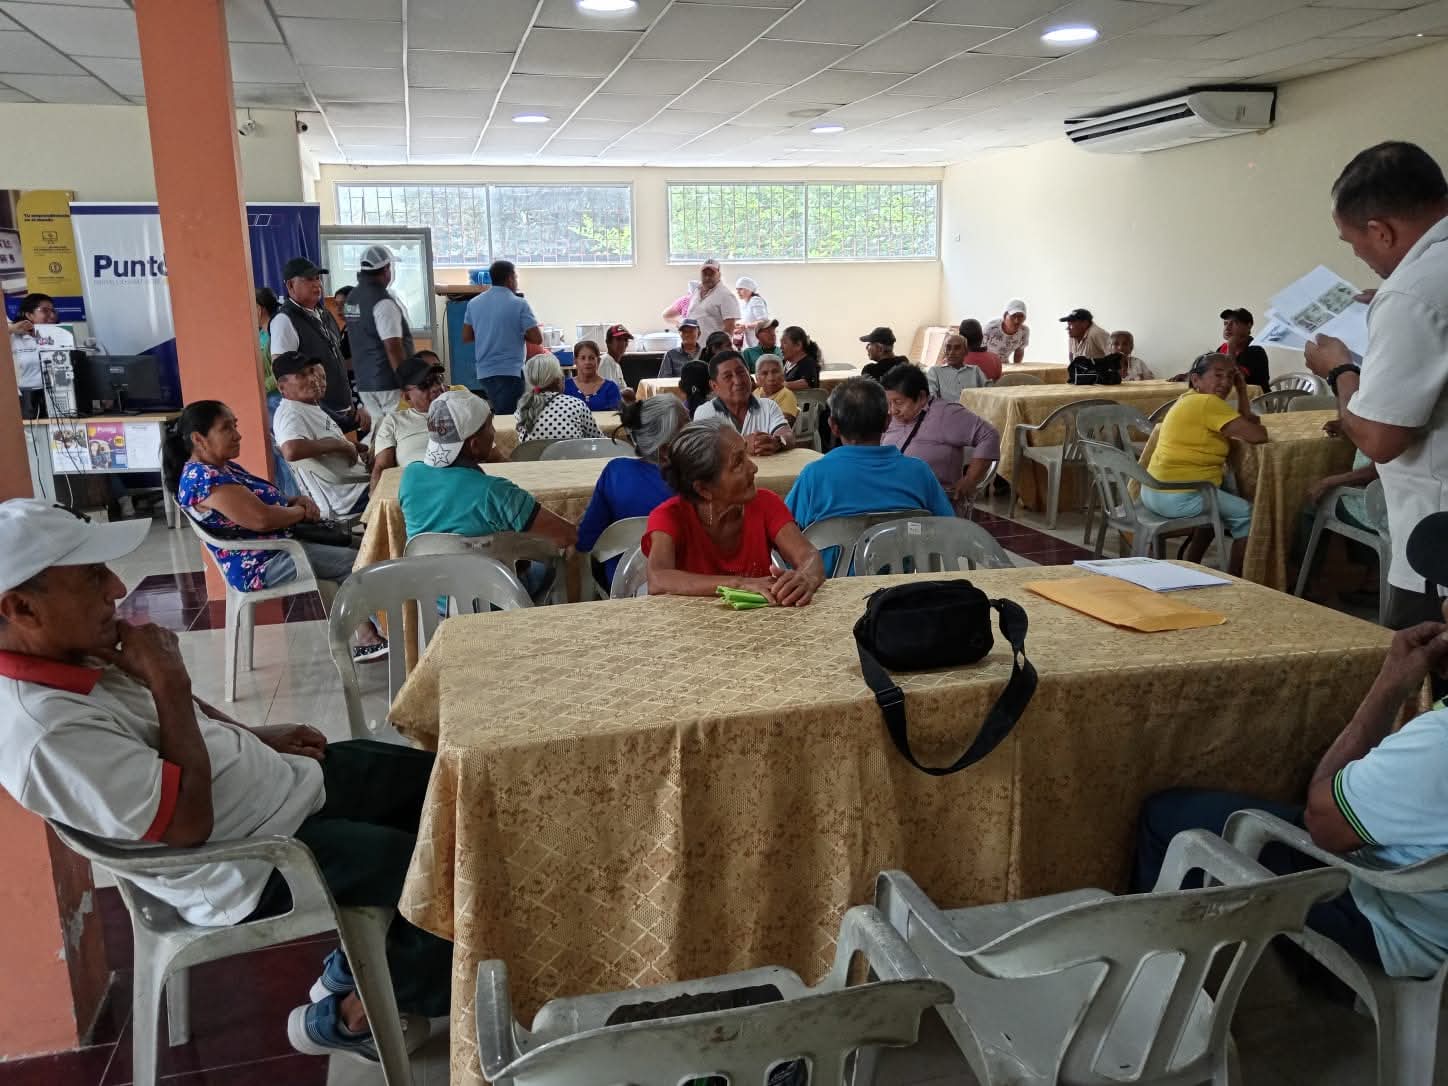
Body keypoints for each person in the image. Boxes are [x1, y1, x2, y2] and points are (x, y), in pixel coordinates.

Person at [0, 499, 449, 1064]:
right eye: (92, 577)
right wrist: (168, 681)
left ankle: (361, 963)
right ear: (22, 608)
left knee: (445, 787)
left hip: (280, 790)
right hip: (251, 859)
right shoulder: (46, 734)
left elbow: (182, 722)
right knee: (440, 870)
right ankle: (350, 1016)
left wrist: (256, 736)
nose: (116, 587)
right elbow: (188, 826)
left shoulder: (71, 653)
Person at [1132, 513, 1448, 983]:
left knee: (1168, 816)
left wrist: (1388, 686)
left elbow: (1324, 824)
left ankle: (1162, 991)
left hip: (1397, 925)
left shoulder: (1435, 744)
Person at [1304, 141, 1448, 629]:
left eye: (1352, 242)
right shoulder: (1420, 285)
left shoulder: (1411, 294)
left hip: (1437, 542)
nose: (1359, 254)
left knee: (1420, 668)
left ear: (1380, 230)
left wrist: (1339, 370)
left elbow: (1380, 439)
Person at [166, 400, 386, 661]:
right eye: (226, 428)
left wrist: (294, 501)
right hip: (263, 562)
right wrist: (300, 512)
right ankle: (386, 633)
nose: (237, 434)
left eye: (235, 425)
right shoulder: (203, 479)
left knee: (364, 547)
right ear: (198, 439)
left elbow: (262, 500)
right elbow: (261, 519)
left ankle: (370, 632)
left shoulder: (222, 467)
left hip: (280, 545)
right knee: (355, 562)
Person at [643, 419, 823, 603]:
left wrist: (805, 578)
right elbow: (658, 579)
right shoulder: (670, 516)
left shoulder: (765, 503)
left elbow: (808, 556)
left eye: (746, 454)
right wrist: (738, 584)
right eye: (738, 462)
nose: (753, 468)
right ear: (704, 489)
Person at [786, 378, 954, 574]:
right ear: (887, 422)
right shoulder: (919, 472)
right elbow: (948, 529)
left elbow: (783, 532)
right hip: (901, 588)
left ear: (833, 426)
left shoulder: (814, 476)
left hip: (830, 588)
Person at [399, 390, 576, 554]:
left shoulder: (410, 477)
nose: (494, 431)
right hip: (486, 578)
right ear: (474, 445)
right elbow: (567, 536)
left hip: (426, 576)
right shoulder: (495, 492)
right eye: (490, 425)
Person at [1143, 353, 1268, 575]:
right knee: (1249, 515)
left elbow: (1246, 422)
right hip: (1179, 496)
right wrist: (1252, 418)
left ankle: (1193, 563)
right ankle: (1235, 578)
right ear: (1196, 379)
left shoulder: (1189, 398)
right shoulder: (1208, 403)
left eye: (1231, 377)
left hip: (1155, 490)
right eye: (1218, 375)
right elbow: (1258, 435)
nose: (1225, 383)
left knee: (1218, 499)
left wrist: (1241, 391)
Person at [577, 396, 687, 585]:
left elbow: (585, 540)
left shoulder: (615, 472)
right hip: (686, 580)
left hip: (623, 584)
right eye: (688, 426)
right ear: (665, 450)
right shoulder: (698, 481)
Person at [881, 365, 1001, 515]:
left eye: (898, 402)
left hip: (935, 506)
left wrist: (971, 479)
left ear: (921, 397)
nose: (892, 410)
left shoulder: (946, 414)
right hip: (896, 500)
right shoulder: (892, 418)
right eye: (889, 403)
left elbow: (989, 435)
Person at [270, 351, 370, 520]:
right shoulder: (291, 412)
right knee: (409, 483)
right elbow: (291, 450)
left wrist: (352, 446)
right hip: (349, 497)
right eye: (302, 375)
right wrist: (341, 445)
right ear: (282, 387)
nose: (313, 379)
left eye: (311, 372)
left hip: (356, 484)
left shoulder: (306, 407)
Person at [268, 258, 359, 431]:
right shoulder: (284, 320)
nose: (317, 284)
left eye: (318, 278)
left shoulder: (324, 314)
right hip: (316, 418)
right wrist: (317, 413)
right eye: (309, 279)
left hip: (343, 411)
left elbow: (336, 360)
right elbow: (283, 375)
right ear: (290, 285)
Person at [343, 246, 414, 420]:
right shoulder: (383, 302)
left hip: (365, 383)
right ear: (386, 269)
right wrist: (406, 382)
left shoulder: (352, 298)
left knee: (380, 429)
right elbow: (393, 347)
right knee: (399, 427)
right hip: (388, 382)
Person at [462, 259, 541, 415]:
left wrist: (487, 333)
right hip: (510, 372)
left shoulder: (474, 303)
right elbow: (537, 338)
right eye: (515, 277)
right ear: (510, 278)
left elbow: (466, 336)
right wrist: (516, 332)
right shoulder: (519, 303)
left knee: (499, 413)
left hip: (484, 373)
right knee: (509, 418)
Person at [370, 354, 457, 487]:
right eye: (424, 385)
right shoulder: (394, 421)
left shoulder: (458, 410)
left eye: (437, 379)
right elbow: (382, 467)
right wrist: (376, 495)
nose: (436, 387)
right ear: (407, 397)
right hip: (416, 488)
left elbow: (487, 457)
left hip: (457, 483)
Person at [692, 351, 794, 456]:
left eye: (741, 372)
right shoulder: (706, 412)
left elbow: (788, 435)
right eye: (728, 376)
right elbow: (702, 451)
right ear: (714, 386)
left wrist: (777, 442)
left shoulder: (768, 406)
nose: (738, 381)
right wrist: (742, 445)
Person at [515, 353, 604, 444]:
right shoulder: (577, 405)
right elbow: (599, 441)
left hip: (533, 453)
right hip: (571, 453)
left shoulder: (522, 409)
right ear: (558, 379)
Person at [663, 259, 739, 339]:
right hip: (693, 344)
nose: (707, 277)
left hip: (711, 345)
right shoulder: (697, 291)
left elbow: (730, 327)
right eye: (704, 273)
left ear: (719, 275)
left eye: (711, 274)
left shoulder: (726, 295)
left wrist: (720, 345)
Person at [7, 292, 55, 418]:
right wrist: (11, 329)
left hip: (56, 395)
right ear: (29, 315)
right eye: (45, 310)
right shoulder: (13, 338)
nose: (52, 315)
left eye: (53, 311)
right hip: (25, 399)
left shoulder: (60, 336)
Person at [1218, 307, 1270, 389]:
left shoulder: (1255, 350)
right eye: (1225, 323)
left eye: (1234, 323)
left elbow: (1236, 379)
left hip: (1255, 395)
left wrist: (1231, 349)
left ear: (1249, 326)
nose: (1227, 328)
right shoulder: (1222, 348)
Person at [565, 339, 624, 411]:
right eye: (583, 358)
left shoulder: (610, 388)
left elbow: (616, 415)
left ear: (598, 361)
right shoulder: (566, 387)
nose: (587, 362)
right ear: (575, 361)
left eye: (591, 358)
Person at [928, 333, 988, 402]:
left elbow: (989, 391)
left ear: (966, 352)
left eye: (957, 348)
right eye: (948, 348)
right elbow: (931, 398)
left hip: (973, 408)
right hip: (947, 408)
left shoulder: (975, 371)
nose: (951, 352)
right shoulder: (935, 371)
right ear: (944, 351)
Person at [983, 299, 1030, 364]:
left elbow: (1019, 351)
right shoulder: (991, 328)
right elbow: (978, 349)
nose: (1016, 321)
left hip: (1005, 365)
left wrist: (1017, 368)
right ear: (1005, 315)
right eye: (1013, 316)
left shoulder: (1024, 331)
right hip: (986, 363)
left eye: (1021, 316)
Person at [754, 355, 798, 421]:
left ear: (783, 375)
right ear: (757, 378)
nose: (771, 378)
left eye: (775, 372)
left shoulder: (786, 395)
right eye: (764, 373)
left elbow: (782, 424)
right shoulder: (756, 393)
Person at [779, 325, 823, 390]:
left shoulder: (809, 363)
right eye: (781, 343)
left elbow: (808, 383)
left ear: (798, 345)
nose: (781, 347)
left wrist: (780, 385)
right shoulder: (783, 363)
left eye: (784, 343)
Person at [735, 276, 770, 348]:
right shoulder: (744, 303)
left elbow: (764, 322)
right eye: (737, 289)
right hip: (750, 345)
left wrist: (746, 326)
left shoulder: (755, 300)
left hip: (759, 343)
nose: (738, 292)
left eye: (741, 289)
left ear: (750, 289)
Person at [601, 324, 632, 389]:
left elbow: (623, 390)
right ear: (608, 342)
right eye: (618, 339)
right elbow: (605, 392)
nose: (623, 343)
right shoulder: (605, 362)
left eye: (626, 340)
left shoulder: (616, 365)